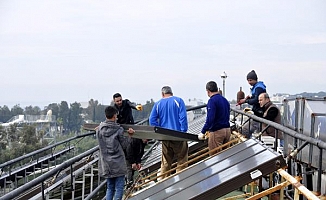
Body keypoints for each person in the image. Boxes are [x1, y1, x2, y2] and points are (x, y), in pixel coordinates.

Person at [149, 86, 188, 179]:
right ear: (171, 93)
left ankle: (163, 181)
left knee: (166, 162)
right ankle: (181, 181)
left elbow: (152, 120)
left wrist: (159, 130)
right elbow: (183, 118)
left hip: (165, 136)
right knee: (182, 159)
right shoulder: (178, 101)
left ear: (162, 94)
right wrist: (183, 132)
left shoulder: (158, 104)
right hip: (178, 135)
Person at [96, 106, 135, 200]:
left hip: (106, 163)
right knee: (119, 187)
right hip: (118, 163)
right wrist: (130, 136)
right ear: (114, 116)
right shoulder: (118, 130)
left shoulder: (99, 130)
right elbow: (124, 145)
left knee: (110, 188)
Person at [112, 93, 146, 187]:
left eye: (120, 100)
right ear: (114, 101)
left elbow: (132, 105)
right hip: (122, 130)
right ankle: (129, 180)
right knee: (127, 150)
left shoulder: (126, 103)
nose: (119, 102)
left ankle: (130, 176)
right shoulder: (114, 109)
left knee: (132, 147)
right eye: (117, 101)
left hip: (130, 127)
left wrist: (136, 107)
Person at [201, 81, 231, 156]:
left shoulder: (212, 101)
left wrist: (203, 131)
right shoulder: (225, 100)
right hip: (227, 130)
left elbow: (210, 119)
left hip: (217, 131)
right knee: (226, 156)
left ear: (208, 91)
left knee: (215, 157)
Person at [237, 70, 267, 138]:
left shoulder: (258, 88)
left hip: (259, 113)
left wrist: (246, 101)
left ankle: (248, 142)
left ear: (255, 79)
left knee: (244, 130)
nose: (249, 82)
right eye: (248, 80)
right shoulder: (258, 87)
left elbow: (256, 100)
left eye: (250, 80)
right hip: (258, 113)